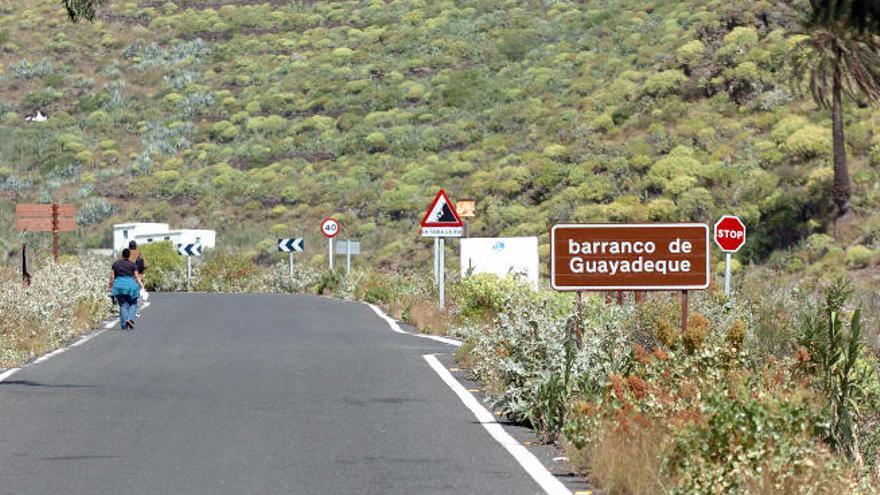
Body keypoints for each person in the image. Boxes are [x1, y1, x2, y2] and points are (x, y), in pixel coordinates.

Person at [109, 248, 144, 330]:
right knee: (133, 303)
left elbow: (112, 277)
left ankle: (124, 324)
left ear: (122, 255)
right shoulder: (132, 264)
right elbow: (136, 276)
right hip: (130, 286)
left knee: (123, 305)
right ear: (129, 255)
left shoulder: (115, 264)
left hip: (119, 286)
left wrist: (111, 286)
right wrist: (141, 286)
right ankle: (130, 318)